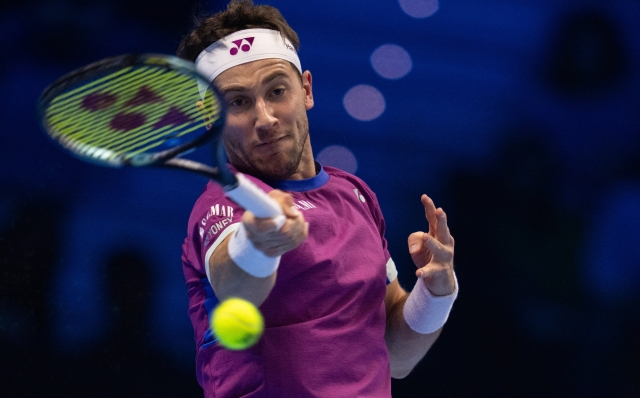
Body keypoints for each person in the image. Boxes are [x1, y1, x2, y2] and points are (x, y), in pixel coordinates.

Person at [179, 1, 458, 396]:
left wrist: (438, 292)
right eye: (238, 102)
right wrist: (257, 242)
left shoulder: (356, 196)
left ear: (306, 89)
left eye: (277, 91)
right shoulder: (221, 207)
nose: (265, 118)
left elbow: (396, 357)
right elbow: (237, 290)